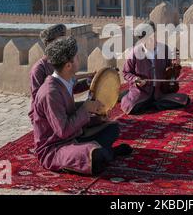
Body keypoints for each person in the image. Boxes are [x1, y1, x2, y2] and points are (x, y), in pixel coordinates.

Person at [31, 36, 132, 176]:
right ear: (68, 65)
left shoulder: (65, 81)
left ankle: (101, 152)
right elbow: (63, 131)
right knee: (95, 157)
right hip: (55, 147)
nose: (79, 59)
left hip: (74, 136)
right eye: (76, 57)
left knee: (113, 128)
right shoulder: (50, 92)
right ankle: (107, 153)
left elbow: (71, 113)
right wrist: (85, 108)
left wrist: (98, 119)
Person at [121, 21, 191, 115]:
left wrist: (176, 65)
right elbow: (126, 72)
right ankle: (133, 98)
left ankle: (152, 104)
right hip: (142, 91)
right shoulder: (134, 52)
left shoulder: (165, 49)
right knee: (130, 106)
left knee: (184, 100)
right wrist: (136, 79)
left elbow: (172, 72)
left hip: (160, 92)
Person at [29, 24, 94, 122]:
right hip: (48, 117)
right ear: (49, 43)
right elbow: (40, 101)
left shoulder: (63, 62)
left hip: (64, 107)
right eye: (61, 40)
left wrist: (91, 81)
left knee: (95, 106)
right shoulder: (38, 69)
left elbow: (72, 87)